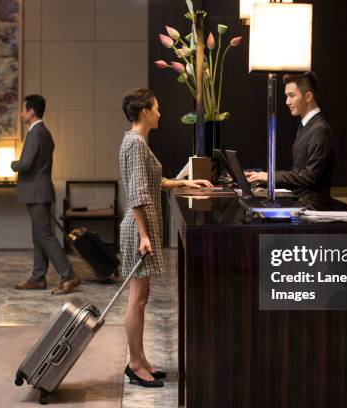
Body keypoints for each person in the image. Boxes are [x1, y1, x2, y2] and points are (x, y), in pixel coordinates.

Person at [119, 88, 212, 387]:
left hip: (141, 228)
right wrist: (144, 235)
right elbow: (137, 192)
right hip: (138, 230)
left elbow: (153, 181)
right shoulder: (135, 143)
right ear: (144, 111)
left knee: (142, 298)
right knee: (137, 299)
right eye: (157, 108)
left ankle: (141, 360)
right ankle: (134, 364)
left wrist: (184, 182)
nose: (160, 113)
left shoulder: (137, 143)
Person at [12, 94, 81, 295]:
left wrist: (13, 164)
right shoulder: (45, 133)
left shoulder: (35, 133)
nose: (21, 113)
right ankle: (37, 278)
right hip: (40, 191)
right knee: (39, 236)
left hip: (37, 193)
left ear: (31, 111)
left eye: (23, 109)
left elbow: (25, 164)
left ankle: (68, 275)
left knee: (45, 236)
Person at [246, 72, 335, 195]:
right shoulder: (307, 125)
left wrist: (269, 177)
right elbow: (297, 173)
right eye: (287, 96)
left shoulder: (320, 130)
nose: (287, 101)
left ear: (308, 97)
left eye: (291, 95)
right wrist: (264, 176)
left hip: (313, 206)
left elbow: (309, 177)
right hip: (301, 201)